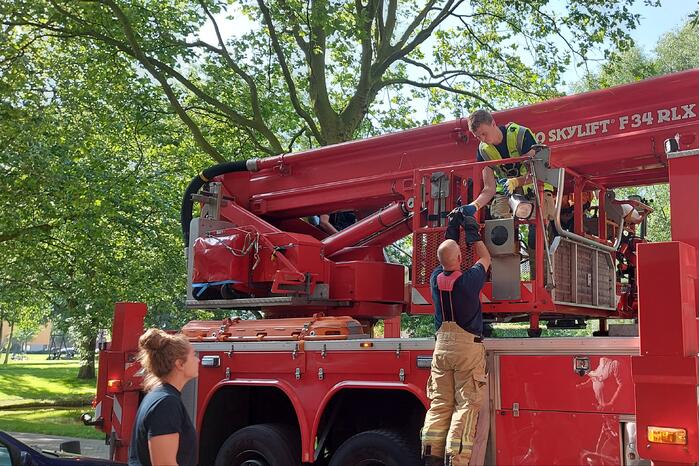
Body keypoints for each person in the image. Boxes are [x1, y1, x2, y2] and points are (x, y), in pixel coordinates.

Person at [421, 211, 492, 466]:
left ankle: (431, 456)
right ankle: (456, 459)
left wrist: (452, 227)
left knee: (440, 404)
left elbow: (445, 256)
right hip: (466, 349)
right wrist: (472, 232)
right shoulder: (469, 282)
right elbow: (485, 257)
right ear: (461, 258)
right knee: (465, 406)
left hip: (441, 349)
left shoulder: (434, 280)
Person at [466, 109, 555, 278]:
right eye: (479, 137)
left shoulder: (521, 135)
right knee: (500, 233)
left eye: (484, 133)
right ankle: (506, 280)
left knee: (536, 237)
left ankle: (541, 282)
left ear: (493, 123)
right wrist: (474, 206)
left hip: (535, 187)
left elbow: (537, 173)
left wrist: (516, 181)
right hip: (507, 192)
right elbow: (489, 188)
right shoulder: (483, 150)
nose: (483, 139)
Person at [128, 329, 199, 466]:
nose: (198, 359)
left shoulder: (160, 396)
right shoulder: (166, 403)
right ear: (180, 364)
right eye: (193, 355)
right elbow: (164, 463)